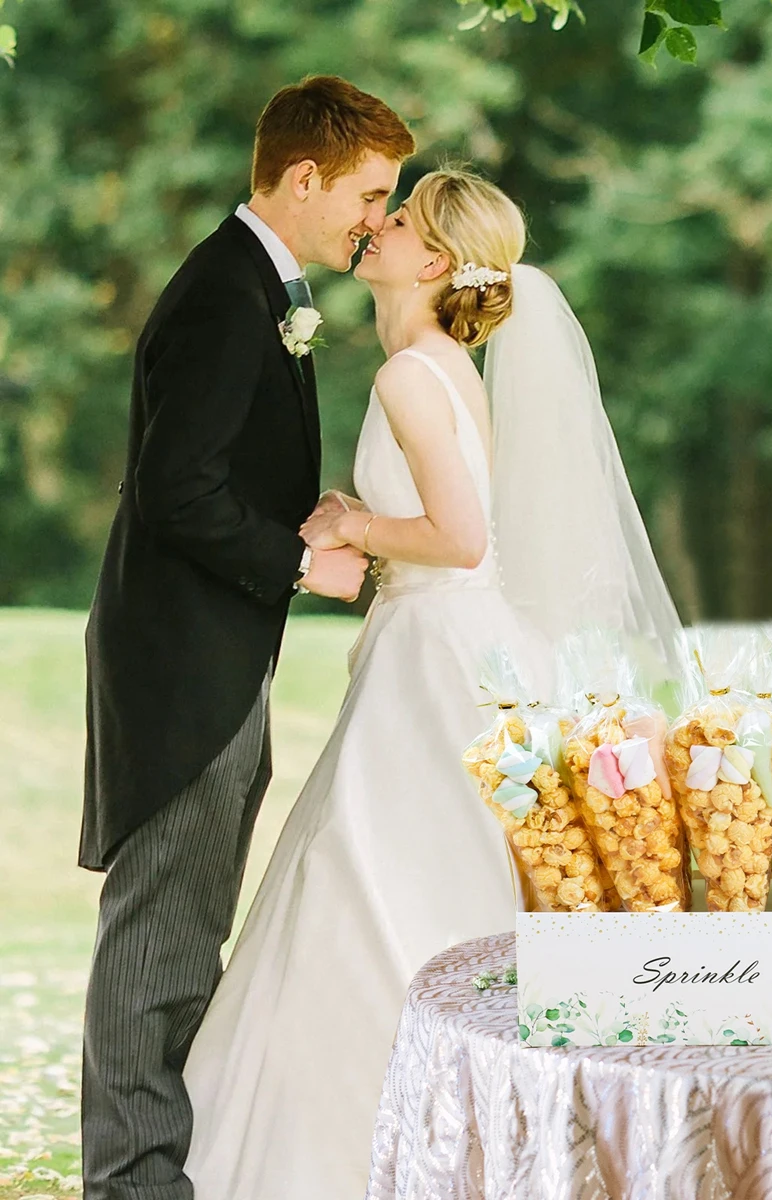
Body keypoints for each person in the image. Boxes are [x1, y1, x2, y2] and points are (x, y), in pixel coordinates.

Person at [181, 168, 682, 1199]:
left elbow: (459, 539)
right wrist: (359, 518)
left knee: (373, 874)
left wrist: (351, 526)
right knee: (419, 880)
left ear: (438, 259)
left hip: (434, 655)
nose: (376, 228)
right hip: (446, 641)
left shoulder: (414, 373)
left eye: (398, 220)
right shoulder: (442, 365)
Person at [79, 76, 414, 1200]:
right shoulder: (230, 294)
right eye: (371, 192)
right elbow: (175, 490)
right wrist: (300, 561)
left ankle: (164, 1168)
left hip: (215, 656)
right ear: (305, 179)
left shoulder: (257, 283)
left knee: (187, 931)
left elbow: (218, 469)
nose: (379, 215)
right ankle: (130, 1184)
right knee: (160, 941)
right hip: (181, 665)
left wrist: (309, 516)